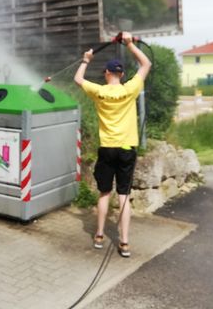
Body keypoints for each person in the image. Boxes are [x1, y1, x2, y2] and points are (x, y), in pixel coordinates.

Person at [73, 31, 151, 258]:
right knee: (124, 196)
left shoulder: (99, 91)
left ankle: (99, 236)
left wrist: (86, 60)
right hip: (127, 149)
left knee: (104, 193)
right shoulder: (130, 89)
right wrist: (129, 44)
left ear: (107, 74)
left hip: (107, 148)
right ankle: (124, 243)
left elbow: (78, 80)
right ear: (122, 74)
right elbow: (146, 63)